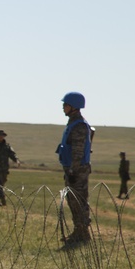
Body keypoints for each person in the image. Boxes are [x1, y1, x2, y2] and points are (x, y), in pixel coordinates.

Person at [57, 92, 92, 246]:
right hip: (72, 169)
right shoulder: (73, 123)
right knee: (72, 201)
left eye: (65, 105)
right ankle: (79, 231)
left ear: (74, 106)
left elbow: (78, 152)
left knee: (79, 201)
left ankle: (83, 233)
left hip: (77, 170)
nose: (63, 107)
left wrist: (73, 171)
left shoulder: (79, 126)